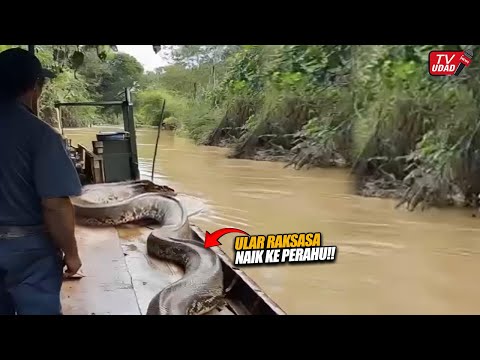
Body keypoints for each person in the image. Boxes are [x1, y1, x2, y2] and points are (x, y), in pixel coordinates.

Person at [0, 48, 83, 315]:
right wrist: (71, 254)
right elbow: (55, 204)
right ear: (35, 87)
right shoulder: (40, 135)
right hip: (26, 251)